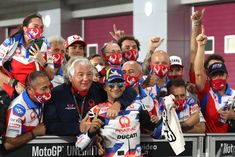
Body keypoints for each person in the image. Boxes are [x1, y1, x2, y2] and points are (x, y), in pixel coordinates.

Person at [76, 68, 161, 156]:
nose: (116, 88)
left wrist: (157, 122)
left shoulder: (137, 106)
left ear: (124, 86)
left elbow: (156, 133)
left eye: (120, 84)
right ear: (105, 87)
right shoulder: (96, 111)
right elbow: (79, 146)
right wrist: (91, 132)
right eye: (111, 85)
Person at [44, 56, 136, 136]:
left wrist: (119, 104)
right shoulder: (57, 94)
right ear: (70, 77)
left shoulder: (97, 88)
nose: (86, 78)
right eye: (80, 75)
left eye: (89, 74)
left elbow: (130, 91)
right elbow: (49, 126)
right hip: (65, 145)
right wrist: (78, 127)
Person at [0, 13, 54, 99]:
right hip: (14, 94)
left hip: (38, 95)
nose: (38, 30)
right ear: (25, 29)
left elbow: (51, 75)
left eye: (41, 27)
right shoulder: (10, 42)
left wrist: (42, 61)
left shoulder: (45, 45)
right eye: (35, 26)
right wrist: (13, 83)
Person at [194, 27, 235, 133]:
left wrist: (233, 116)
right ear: (209, 78)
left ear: (227, 76)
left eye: (221, 74)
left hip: (230, 146)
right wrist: (201, 45)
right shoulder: (206, 93)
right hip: (209, 146)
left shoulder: (234, 95)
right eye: (214, 75)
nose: (218, 78)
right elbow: (198, 74)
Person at [3, 71, 51, 151]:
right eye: (44, 88)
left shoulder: (41, 98)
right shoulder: (17, 109)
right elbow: (8, 144)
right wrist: (34, 133)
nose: (48, 91)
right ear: (29, 89)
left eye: (49, 86)